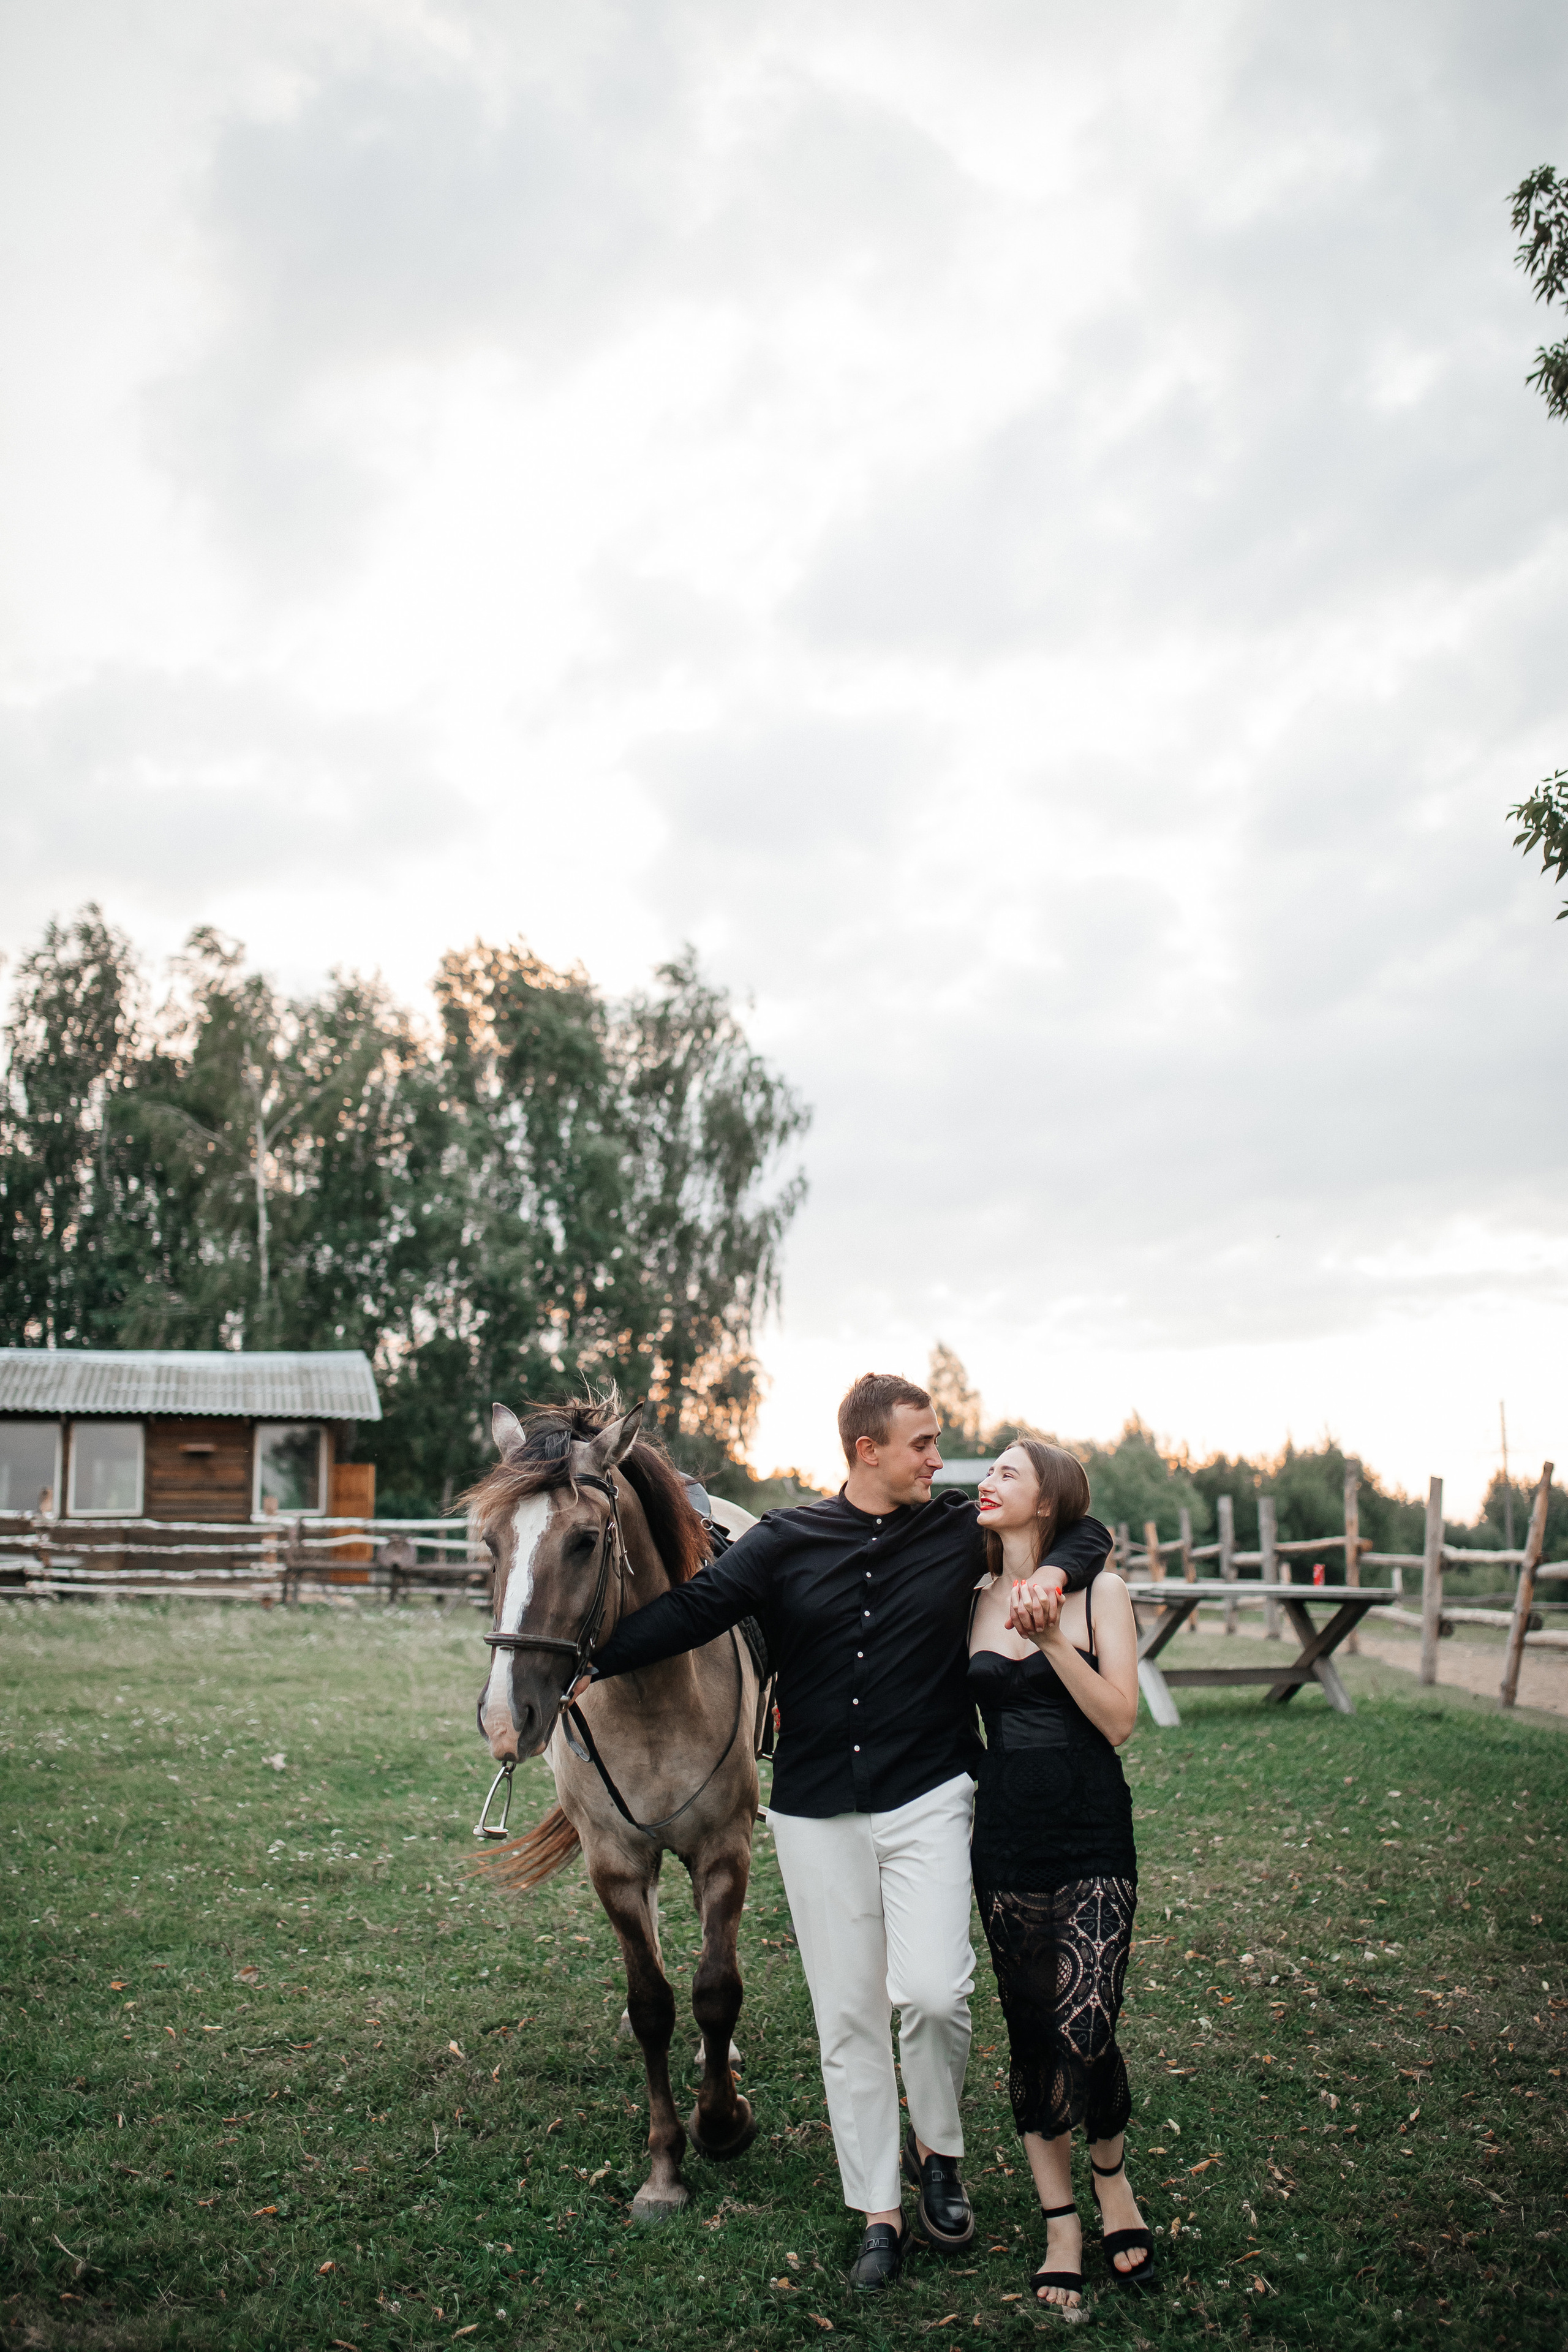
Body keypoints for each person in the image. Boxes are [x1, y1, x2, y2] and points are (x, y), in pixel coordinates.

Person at [582, 1372, 1110, 2291]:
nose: (940, 1460)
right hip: (816, 1809)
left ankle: (938, 2154)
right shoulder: (785, 1540)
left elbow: (1081, 1525)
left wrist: (1061, 1570)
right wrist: (577, 1660)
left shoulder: (956, 1530)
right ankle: (878, 2207)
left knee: (936, 1994)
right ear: (868, 1451)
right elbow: (693, 1612)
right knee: (848, 2017)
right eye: (923, 1444)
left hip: (931, 1792)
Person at [969, 1438, 1156, 2307]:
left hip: (1089, 1829)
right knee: (1034, 2032)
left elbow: (1119, 1719)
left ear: (1049, 1501)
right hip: (1003, 1835)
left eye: (1007, 1471)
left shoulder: (1101, 1592)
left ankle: (1110, 2171)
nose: (987, 1481)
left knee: (1085, 2024)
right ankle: (1061, 2222)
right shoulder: (969, 1596)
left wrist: (1048, 1644)